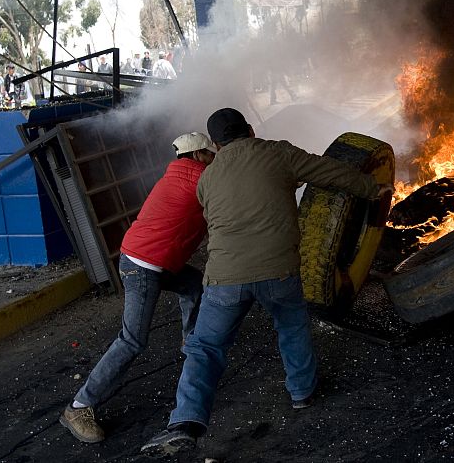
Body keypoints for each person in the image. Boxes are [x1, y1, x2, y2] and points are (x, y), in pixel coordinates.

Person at [141, 108, 393, 456]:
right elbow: (329, 172)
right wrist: (371, 188)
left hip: (225, 279)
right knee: (292, 327)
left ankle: (185, 423)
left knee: (205, 348)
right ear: (250, 130)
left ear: (214, 144)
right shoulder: (278, 152)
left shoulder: (207, 179)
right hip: (278, 271)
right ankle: (302, 392)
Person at [60, 132, 216, 444]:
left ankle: (191, 350)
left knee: (193, 285)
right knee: (132, 340)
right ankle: (79, 406)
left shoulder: (175, 174)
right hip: (144, 267)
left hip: (149, 260)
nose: (215, 158)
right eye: (212, 154)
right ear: (199, 155)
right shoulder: (200, 179)